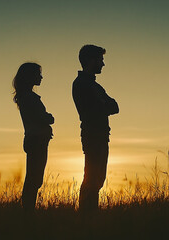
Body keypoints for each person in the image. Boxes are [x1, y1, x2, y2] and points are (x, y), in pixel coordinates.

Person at [72, 45, 119, 212]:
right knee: (92, 178)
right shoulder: (82, 84)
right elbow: (95, 109)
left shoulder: (95, 86)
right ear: (91, 60)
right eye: (101, 60)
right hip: (93, 135)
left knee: (98, 178)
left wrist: (103, 104)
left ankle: (90, 214)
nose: (103, 64)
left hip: (99, 135)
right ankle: (86, 215)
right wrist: (104, 105)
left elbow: (114, 106)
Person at [12, 62, 54, 212]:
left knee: (34, 178)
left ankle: (28, 210)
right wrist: (49, 118)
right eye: (38, 74)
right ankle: (27, 211)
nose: (41, 77)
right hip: (36, 140)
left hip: (35, 139)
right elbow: (42, 118)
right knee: (34, 179)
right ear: (30, 76)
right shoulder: (30, 98)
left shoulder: (27, 97)